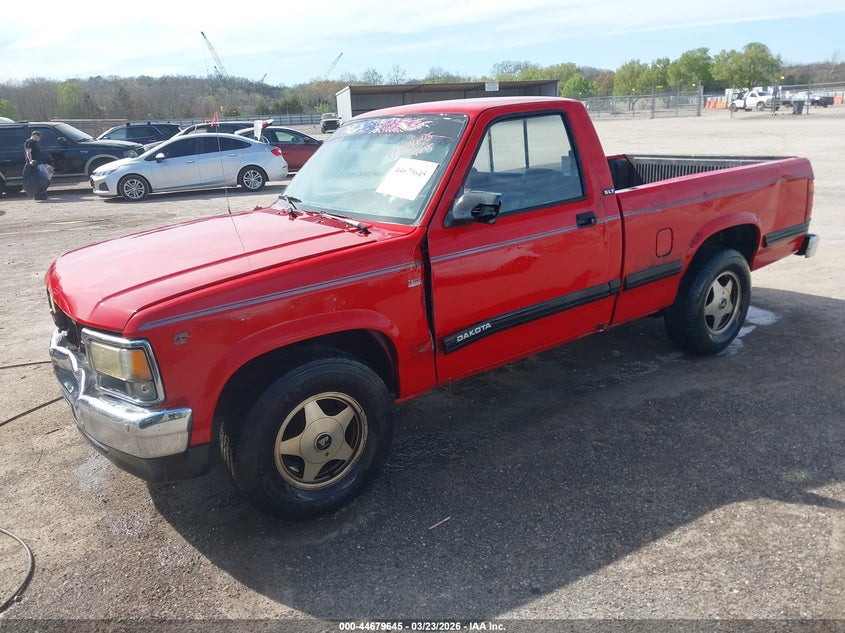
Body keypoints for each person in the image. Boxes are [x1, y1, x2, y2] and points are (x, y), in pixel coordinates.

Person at [24, 130, 51, 200]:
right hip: (35, 164)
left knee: (44, 179)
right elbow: (28, 152)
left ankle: (41, 194)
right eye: (39, 137)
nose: (40, 139)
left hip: (38, 163)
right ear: (35, 136)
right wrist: (30, 161)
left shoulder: (34, 142)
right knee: (42, 180)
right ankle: (39, 195)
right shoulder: (30, 142)